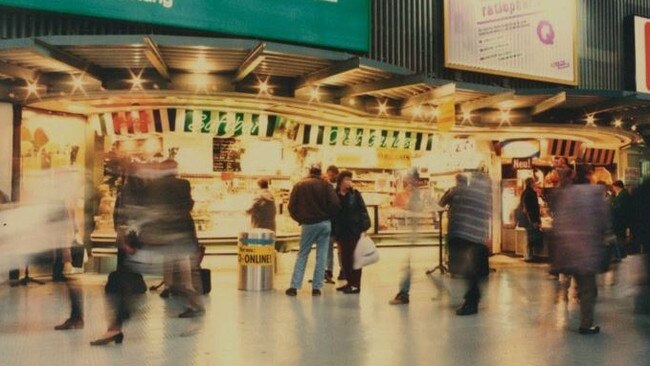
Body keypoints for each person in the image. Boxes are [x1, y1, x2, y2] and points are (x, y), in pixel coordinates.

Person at [550, 165, 609, 335]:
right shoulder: (595, 194)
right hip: (586, 249)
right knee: (588, 288)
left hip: (567, 248)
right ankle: (586, 324)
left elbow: (557, 218)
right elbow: (604, 220)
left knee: (570, 278)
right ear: (589, 176)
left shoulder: (565, 194)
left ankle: (570, 296)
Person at [437, 171, 492, 316]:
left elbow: (441, 203)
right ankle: (473, 298)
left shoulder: (459, 191)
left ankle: (472, 301)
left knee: (468, 270)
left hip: (463, 235)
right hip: (478, 237)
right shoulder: (485, 197)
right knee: (472, 270)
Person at [286, 164, 340, 297]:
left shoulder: (300, 185)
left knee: (303, 254)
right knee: (321, 256)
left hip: (308, 224)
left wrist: (300, 218)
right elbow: (336, 204)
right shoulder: (326, 185)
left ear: (309, 172)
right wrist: (328, 216)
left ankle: (294, 287)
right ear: (320, 172)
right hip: (324, 224)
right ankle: (316, 288)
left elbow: (291, 206)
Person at [389, 170, 426, 305]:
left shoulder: (419, 196)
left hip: (411, 235)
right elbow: (394, 211)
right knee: (408, 265)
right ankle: (403, 293)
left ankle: (403, 294)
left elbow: (421, 211)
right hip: (406, 233)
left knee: (407, 266)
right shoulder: (402, 195)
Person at [332, 171, 371, 294]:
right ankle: (349, 282)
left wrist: (364, 228)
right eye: (346, 179)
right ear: (340, 181)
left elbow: (363, 211)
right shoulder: (334, 195)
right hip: (341, 232)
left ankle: (355, 285)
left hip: (354, 231)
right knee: (345, 259)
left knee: (355, 258)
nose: (349, 181)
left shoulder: (355, 194)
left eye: (350, 179)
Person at [520, 178, 542, 262]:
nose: (535, 183)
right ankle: (529, 256)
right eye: (533, 182)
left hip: (527, 219)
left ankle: (528, 255)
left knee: (528, 237)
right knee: (531, 237)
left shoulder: (525, 193)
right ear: (530, 183)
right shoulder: (531, 193)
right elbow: (531, 208)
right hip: (531, 219)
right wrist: (534, 221)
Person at [325, 165, 340, 282]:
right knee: (328, 247)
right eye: (328, 174)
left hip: (339, 222)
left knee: (341, 248)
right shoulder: (325, 186)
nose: (329, 177)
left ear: (336, 174)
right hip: (329, 221)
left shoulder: (341, 187)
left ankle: (343, 269)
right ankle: (328, 271)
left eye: (331, 174)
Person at [611, 180, 632, 260]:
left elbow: (618, 208)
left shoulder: (622, 195)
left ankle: (621, 254)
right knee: (621, 237)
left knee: (620, 237)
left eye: (613, 187)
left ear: (617, 187)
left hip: (621, 220)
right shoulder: (622, 194)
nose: (613, 189)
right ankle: (621, 253)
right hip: (622, 220)